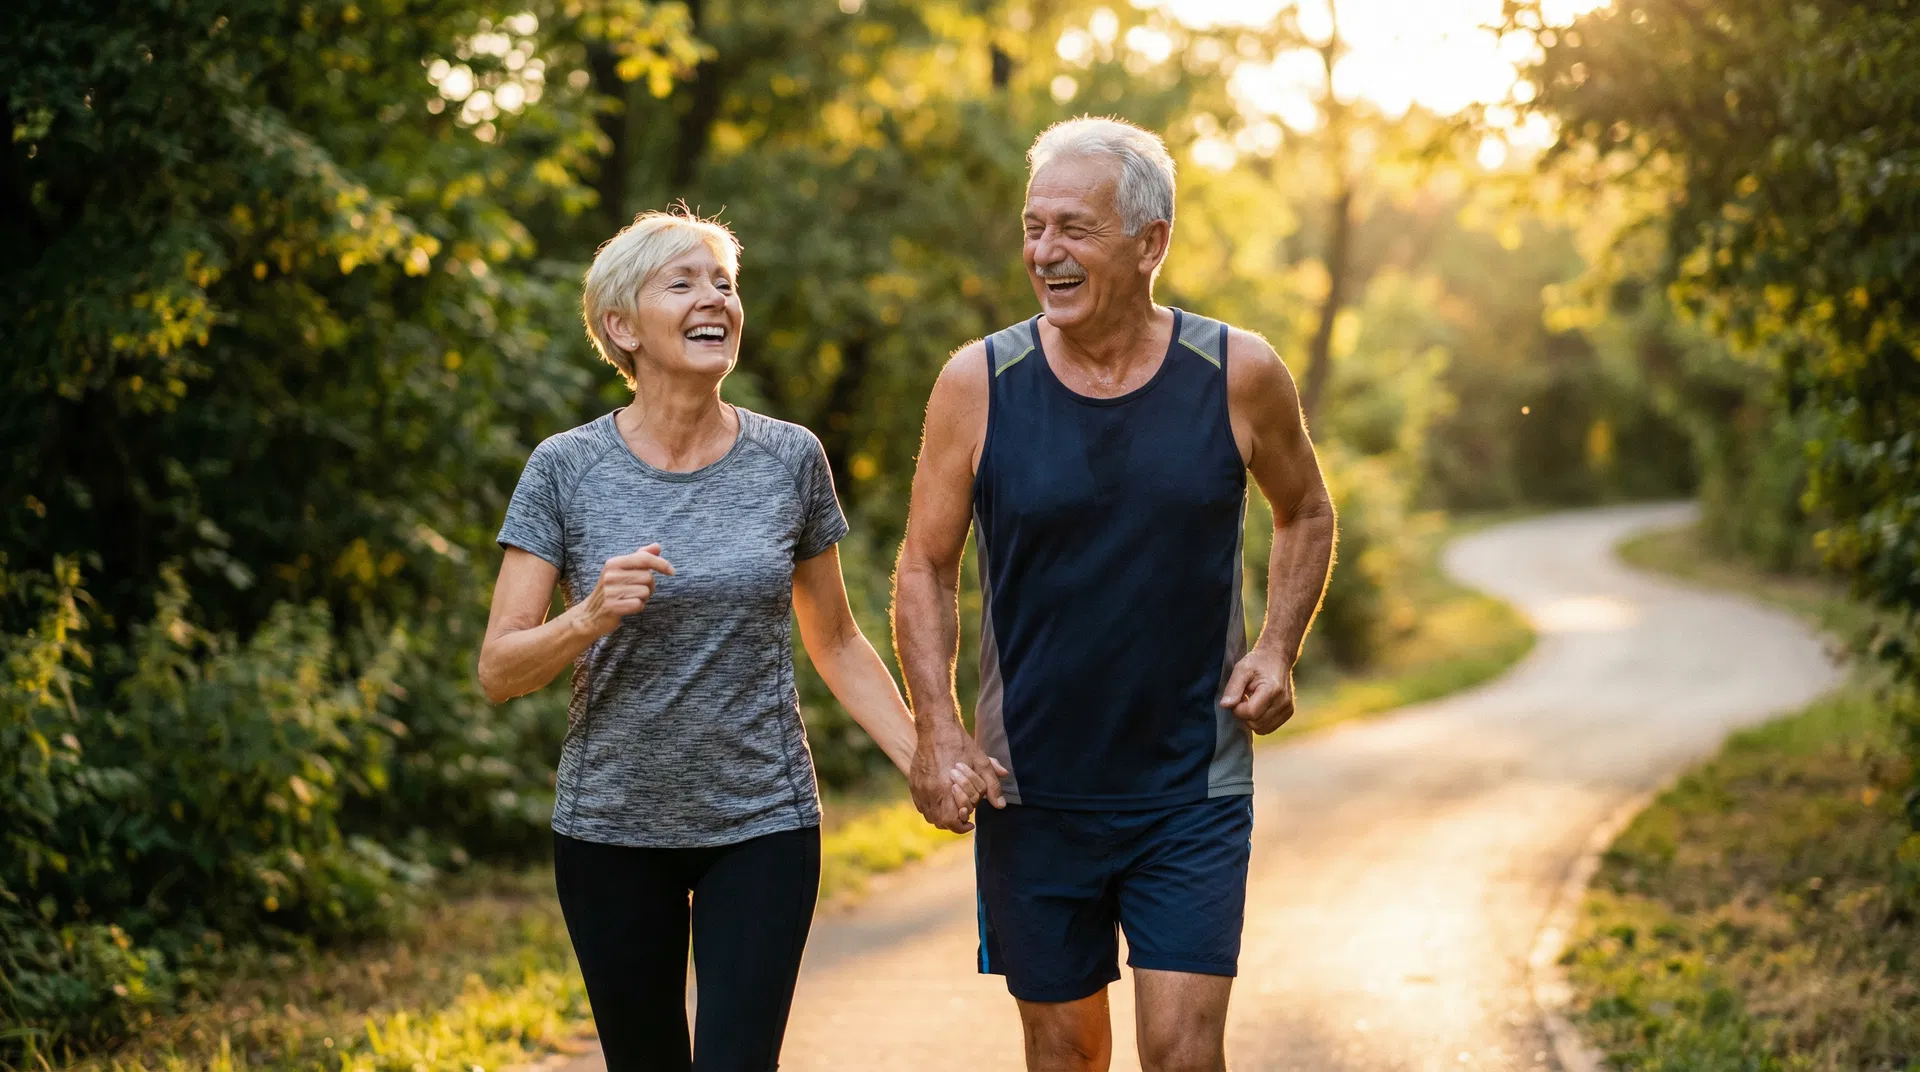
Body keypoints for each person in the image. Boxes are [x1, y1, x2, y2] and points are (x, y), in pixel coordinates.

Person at [477, 209, 971, 1071]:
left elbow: (839, 640)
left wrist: (926, 756)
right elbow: (498, 669)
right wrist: (587, 616)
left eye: (725, 284)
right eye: (686, 283)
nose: (716, 299)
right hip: (611, 828)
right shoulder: (565, 468)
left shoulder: (790, 459)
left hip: (763, 822)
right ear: (622, 326)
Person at [893, 117, 1338, 1071]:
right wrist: (936, 730)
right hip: (1032, 789)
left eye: (1073, 229)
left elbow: (1305, 512)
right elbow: (924, 565)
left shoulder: (1237, 373)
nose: (1044, 252)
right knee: (1066, 1055)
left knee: (1182, 1053)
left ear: (1151, 243)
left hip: (1192, 784)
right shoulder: (980, 382)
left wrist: (1275, 648)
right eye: (1033, 226)